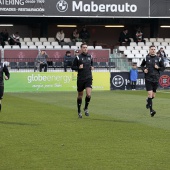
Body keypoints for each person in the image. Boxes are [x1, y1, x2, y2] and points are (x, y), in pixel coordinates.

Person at [140, 45, 165, 117]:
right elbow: (142, 65)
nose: (153, 50)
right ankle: (151, 111)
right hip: (148, 78)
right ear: (149, 50)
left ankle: (148, 101)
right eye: (152, 49)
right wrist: (144, 69)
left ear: (156, 50)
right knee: (150, 94)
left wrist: (158, 67)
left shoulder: (159, 59)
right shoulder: (146, 58)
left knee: (153, 96)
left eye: (154, 49)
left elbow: (163, 68)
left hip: (156, 79)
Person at [72, 43, 94, 118]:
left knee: (88, 94)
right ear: (81, 48)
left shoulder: (90, 56)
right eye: (84, 47)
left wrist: (92, 67)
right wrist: (78, 67)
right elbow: (72, 67)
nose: (85, 48)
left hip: (88, 78)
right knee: (80, 95)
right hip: (81, 79)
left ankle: (86, 108)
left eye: (86, 47)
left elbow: (92, 65)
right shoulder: (78, 57)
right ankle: (79, 111)